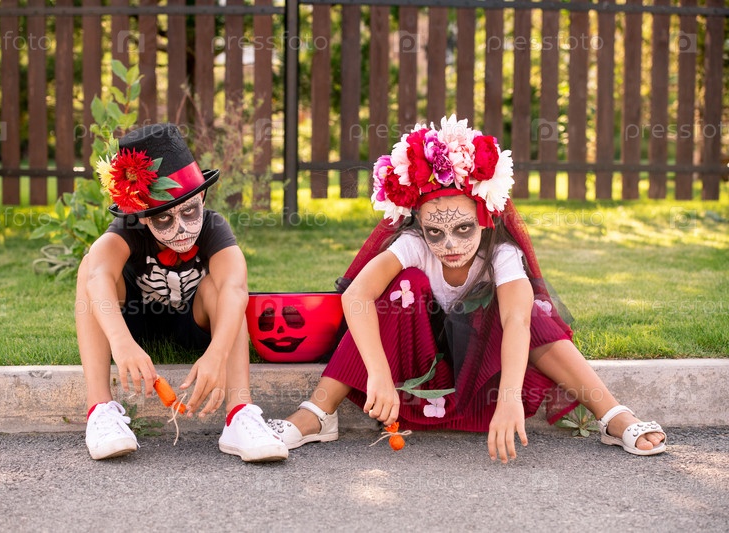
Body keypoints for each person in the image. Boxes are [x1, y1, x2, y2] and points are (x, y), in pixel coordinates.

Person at [268, 115, 666, 461]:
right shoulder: (413, 246)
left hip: (482, 370)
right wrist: (378, 374)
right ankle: (317, 413)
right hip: (414, 363)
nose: (450, 245)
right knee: (399, 288)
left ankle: (612, 415)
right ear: (420, 225)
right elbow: (356, 295)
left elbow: (517, 323)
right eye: (435, 232)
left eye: (463, 229)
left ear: (484, 218)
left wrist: (508, 397)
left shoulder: (501, 253)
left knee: (531, 313)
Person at [75, 123, 287, 462]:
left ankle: (239, 414)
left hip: (194, 323)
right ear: (143, 218)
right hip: (134, 323)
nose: (182, 228)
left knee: (221, 287)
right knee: (90, 267)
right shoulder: (128, 230)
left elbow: (235, 288)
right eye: (164, 220)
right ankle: (100, 409)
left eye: (189, 211)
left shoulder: (214, 227)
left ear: (201, 197)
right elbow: (98, 274)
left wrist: (216, 355)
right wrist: (121, 342)